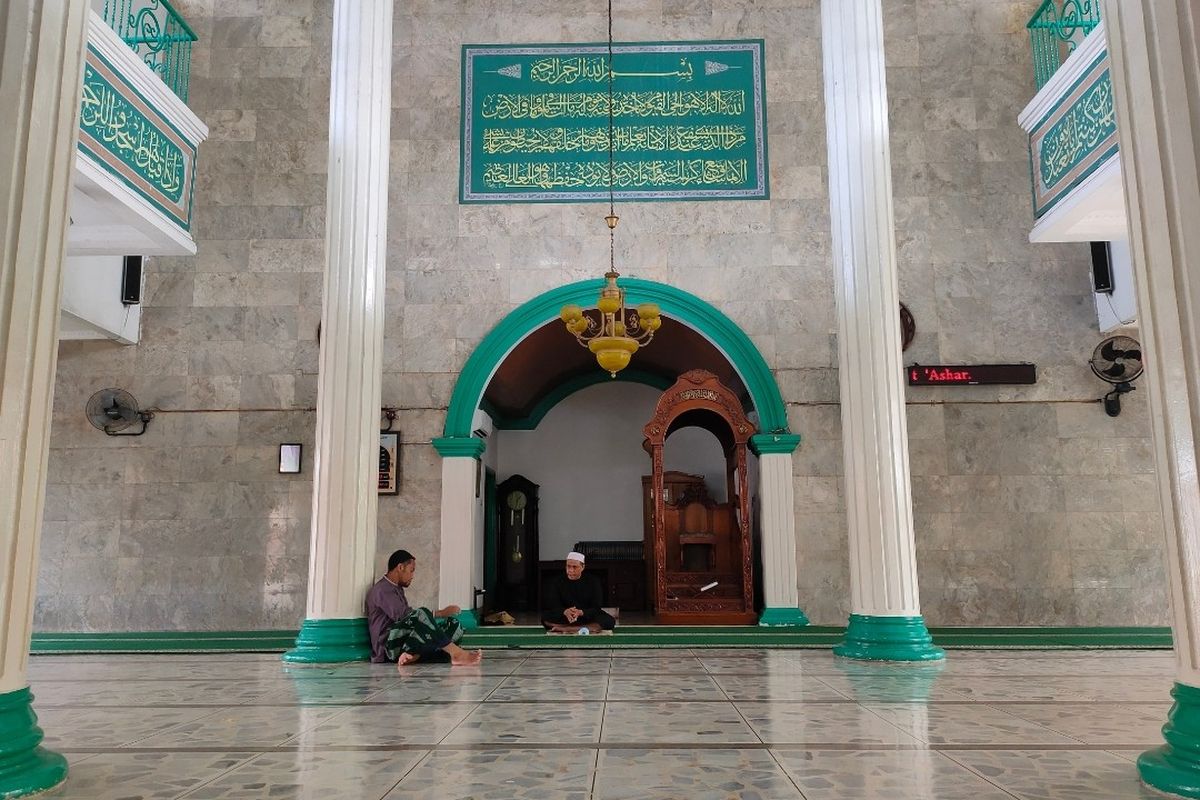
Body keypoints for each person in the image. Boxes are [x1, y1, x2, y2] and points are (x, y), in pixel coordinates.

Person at [365, 549, 483, 666]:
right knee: (422, 614)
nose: (412, 576)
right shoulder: (382, 590)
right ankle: (456, 654)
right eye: (411, 571)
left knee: (453, 625)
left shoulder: (396, 588)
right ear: (400, 567)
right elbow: (405, 616)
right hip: (388, 647)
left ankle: (412, 656)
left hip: (405, 641)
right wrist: (441, 613)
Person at [542, 551, 615, 633]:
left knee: (609, 620)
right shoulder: (557, 581)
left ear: (582, 567)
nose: (570, 570)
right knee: (545, 618)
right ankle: (583, 628)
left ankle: (568, 629)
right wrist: (565, 611)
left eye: (574, 567)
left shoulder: (593, 581)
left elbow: (596, 607)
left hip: (586, 616)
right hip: (566, 617)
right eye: (568, 566)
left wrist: (581, 612)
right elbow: (553, 604)